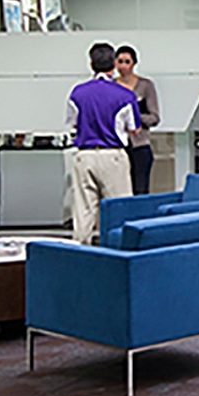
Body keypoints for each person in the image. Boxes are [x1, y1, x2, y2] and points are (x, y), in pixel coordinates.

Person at [65, 41, 139, 244]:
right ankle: (118, 254)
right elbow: (134, 128)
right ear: (114, 65)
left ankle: (80, 257)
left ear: (91, 64)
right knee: (119, 210)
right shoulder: (125, 95)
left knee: (83, 212)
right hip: (113, 155)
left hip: (84, 155)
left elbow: (71, 125)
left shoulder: (77, 93)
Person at [112, 44, 161, 194]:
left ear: (134, 63)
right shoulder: (111, 86)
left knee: (140, 188)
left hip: (139, 144)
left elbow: (154, 117)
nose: (123, 66)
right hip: (118, 146)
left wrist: (133, 118)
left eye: (127, 62)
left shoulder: (145, 85)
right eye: (120, 61)